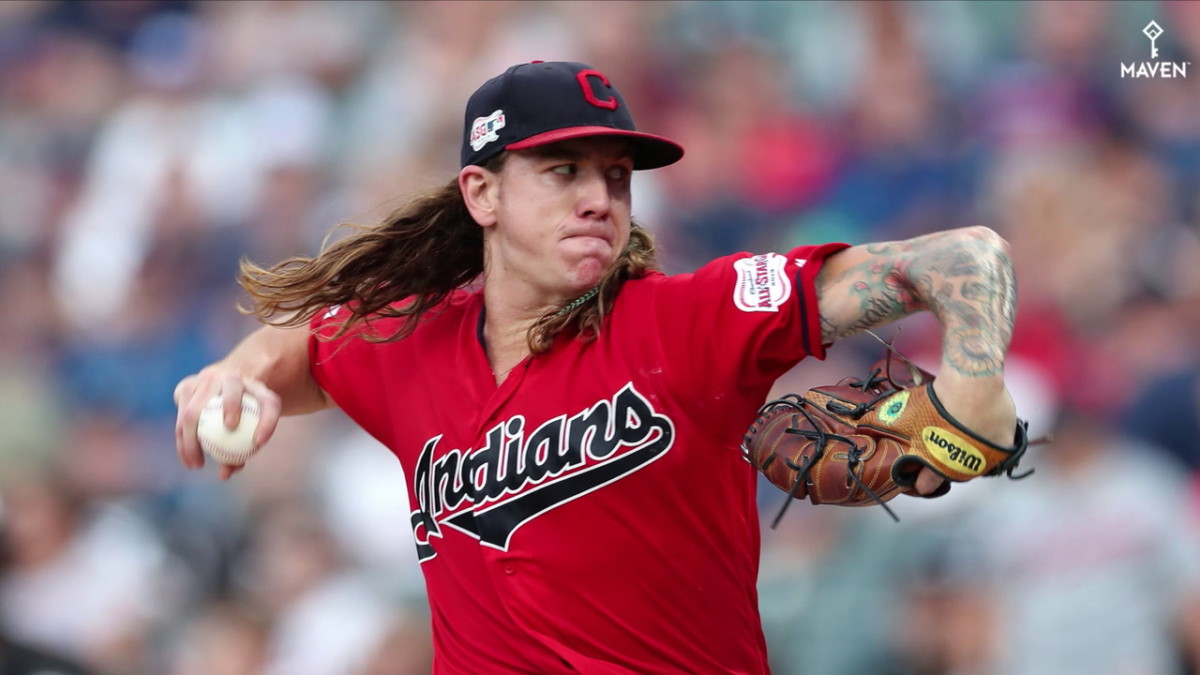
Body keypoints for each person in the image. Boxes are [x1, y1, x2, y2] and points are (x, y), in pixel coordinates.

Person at [174, 61, 1020, 674]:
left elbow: (963, 258)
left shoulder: (689, 320)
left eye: (617, 178)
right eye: (563, 171)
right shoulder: (411, 345)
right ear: (481, 193)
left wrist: (974, 385)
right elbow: (304, 343)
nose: (599, 199)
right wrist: (237, 371)